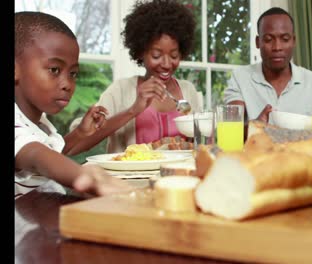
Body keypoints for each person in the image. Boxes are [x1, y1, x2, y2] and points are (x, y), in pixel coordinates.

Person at [15, 11, 132, 198]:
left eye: (73, 73)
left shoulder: (40, 123)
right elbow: (36, 155)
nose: (67, 84)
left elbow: (51, 151)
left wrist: (80, 134)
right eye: (54, 70)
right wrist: (81, 174)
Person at [69, 0, 202, 154]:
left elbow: (200, 143)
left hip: (180, 177)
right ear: (140, 52)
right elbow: (74, 147)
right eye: (156, 55)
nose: (166, 64)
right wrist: (133, 110)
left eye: (174, 55)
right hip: (130, 178)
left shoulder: (188, 90)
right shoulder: (120, 90)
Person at [223, 7, 312, 126]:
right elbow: (231, 127)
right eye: (269, 39)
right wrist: (253, 127)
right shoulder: (240, 78)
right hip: (257, 152)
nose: (277, 47)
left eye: (285, 39)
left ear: (294, 41)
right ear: (258, 42)